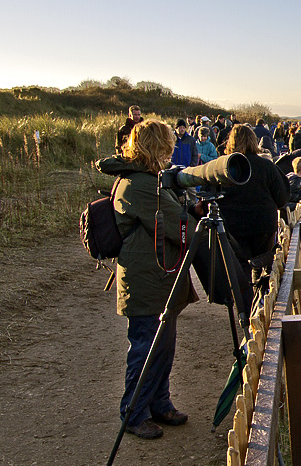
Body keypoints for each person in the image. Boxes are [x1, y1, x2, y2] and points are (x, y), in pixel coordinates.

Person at [96, 120, 196, 440]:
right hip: (145, 278)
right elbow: (178, 227)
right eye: (166, 148)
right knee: (146, 348)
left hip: (155, 276)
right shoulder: (141, 184)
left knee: (163, 346)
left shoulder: (145, 179)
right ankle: (133, 412)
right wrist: (192, 209)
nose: (169, 155)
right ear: (158, 148)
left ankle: (159, 403)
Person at [218, 124, 290, 285]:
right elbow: (282, 197)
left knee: (241, 265)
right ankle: (259, 296)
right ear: (253, 141)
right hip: (262, 224)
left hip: (233, 225)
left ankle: (245, 303)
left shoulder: (222, 167)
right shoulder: (267, 166)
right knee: (262, 263)